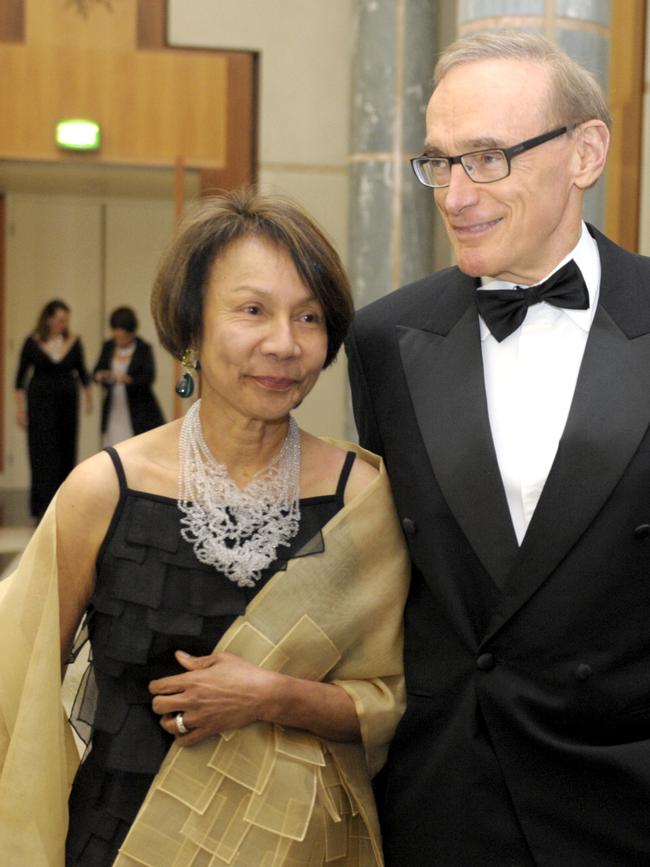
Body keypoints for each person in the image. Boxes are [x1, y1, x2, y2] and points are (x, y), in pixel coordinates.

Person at [0, 190, 409, 867]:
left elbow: (392, 700)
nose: (283, 342)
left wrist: (273, 694)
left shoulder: (362, 499)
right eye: (252, 310)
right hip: (125, 835)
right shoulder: (103, 490)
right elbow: (18, 674)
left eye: (308, 316)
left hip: (299, 847)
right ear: (191, 326)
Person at [345, 30, 650, 866]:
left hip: (623, 795)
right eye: (439, 162)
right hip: (445, 802)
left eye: (487, 157)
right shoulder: (384, 339)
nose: (454, 194)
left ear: (586, 152)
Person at [14, 298, 92, 519]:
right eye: (59, 320)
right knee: (42, 450)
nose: (63, 325)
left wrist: (88, 399)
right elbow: (19, 380)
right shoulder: (32, 341)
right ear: (48, 319)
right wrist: (20, 410)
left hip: (67, 402)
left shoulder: (74, 341)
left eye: (66, 321)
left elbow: (83, 372)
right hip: (40, 403)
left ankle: (65, 501)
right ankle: (41, 503)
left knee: (66, 448)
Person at [93, 306, 165, 446]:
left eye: (124, 336)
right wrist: (102, 376)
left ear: (132, 333)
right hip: (114, 407)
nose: (120, 340)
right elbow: (96, 371)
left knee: (135, 445)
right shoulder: (108, 346)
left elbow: (149, 377)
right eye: (116, 335)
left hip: (138, 409)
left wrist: (129, 380)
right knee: (113, 447)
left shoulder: (143, 348)